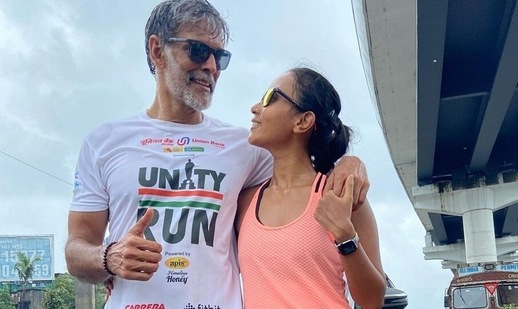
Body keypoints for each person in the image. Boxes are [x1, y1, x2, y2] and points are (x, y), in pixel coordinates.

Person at [64, 0, 369, 308]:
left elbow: (302, 174)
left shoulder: (247, 148)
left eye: (219, 56)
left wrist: (349, 163)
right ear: (158, 50)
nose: (210, 66)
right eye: (198, 51)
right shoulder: (104, 142)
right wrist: (109, 256)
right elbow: (76, 249)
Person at [235, 67, 386, 308]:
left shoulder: (340, 195)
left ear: (303, 121)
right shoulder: (245, 201)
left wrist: (345, 237)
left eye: (270, 98)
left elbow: (372, 301)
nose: (255, 107)